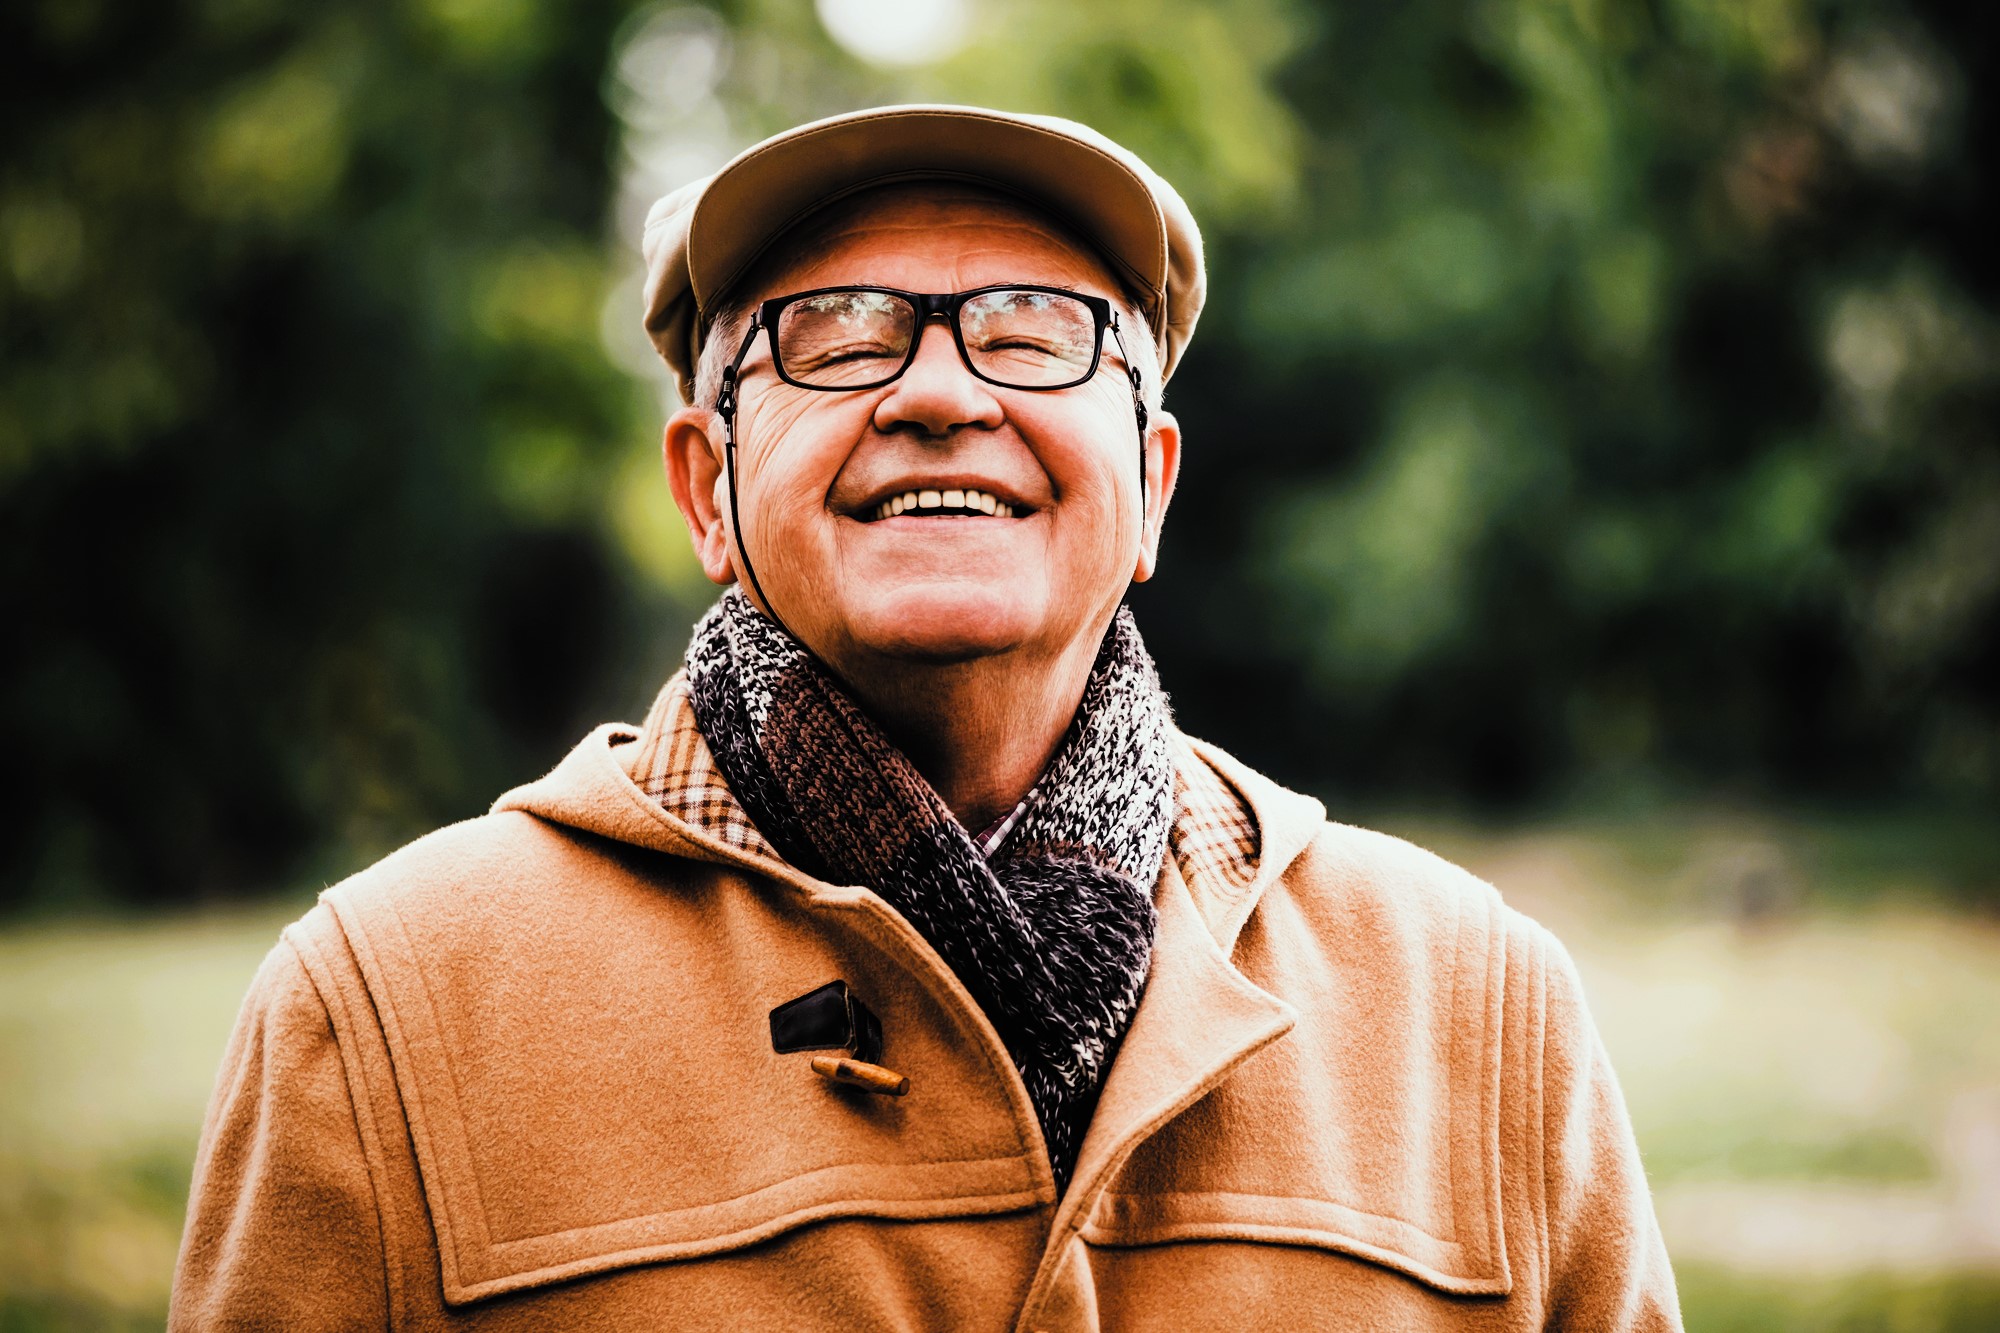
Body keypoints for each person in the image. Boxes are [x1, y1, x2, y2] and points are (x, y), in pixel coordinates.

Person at [170, 105, 1681, 1331]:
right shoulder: (380, 1015)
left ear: (1151, 483)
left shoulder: (1479, 1015)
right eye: (838, 331)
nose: (943, 393)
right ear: (705, 486)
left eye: (1033, 330)